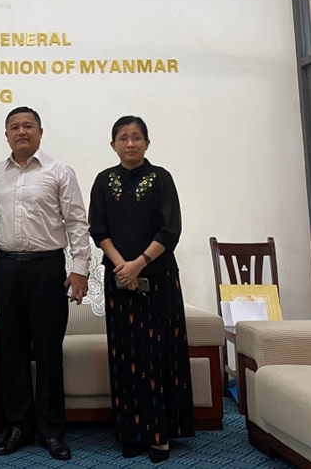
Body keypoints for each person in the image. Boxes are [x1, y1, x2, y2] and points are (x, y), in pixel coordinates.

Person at [0, 106, 91, 461]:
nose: (22, 132)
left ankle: (51, 429)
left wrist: (80, 268)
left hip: (47, 267)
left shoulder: (59, 171)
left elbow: (76, 222)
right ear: (6, 135)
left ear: (40, 132)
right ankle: (18, 425)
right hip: (7, 268)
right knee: (12, 350)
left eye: (28, 126)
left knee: (47, 351)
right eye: (14, 127)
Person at [87, 115, 195, 464]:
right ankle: (132, 432)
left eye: (136, 137)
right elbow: (98, 229)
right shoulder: (104, 181)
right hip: (119, 280)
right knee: (126, 355)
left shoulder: (161, 178)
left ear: (147, 143)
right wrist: (123, 266)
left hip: (159, 278)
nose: (130, 143)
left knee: (158, 354)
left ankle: (160, 434)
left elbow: (170, 229)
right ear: (113, 144)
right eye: (123, 137)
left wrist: (139, 263)